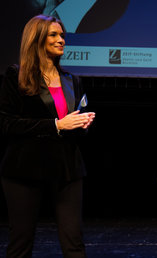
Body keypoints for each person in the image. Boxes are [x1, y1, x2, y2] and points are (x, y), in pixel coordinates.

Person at [0, 14, 95, 257]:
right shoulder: (16, 76)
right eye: (54, 35)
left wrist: (82, 125)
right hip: (24, 169)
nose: (61, 40)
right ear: (37, 39)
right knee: (21, 242)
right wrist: (56, 125)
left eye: (62, 35)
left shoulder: (72, 80)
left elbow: (72, 122)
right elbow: (7, 123)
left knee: (74, 242)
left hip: (67, 169)